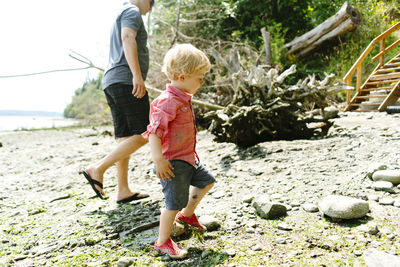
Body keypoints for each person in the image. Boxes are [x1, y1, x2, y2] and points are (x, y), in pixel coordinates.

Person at [142, 44, 215, 259]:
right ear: (182, 77)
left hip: (188, 159)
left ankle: (187, 216)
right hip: (173, 162)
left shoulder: (182, 96)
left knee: (207, 181)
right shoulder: (167, 101)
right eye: (200, 77)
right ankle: (162, 241)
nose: (202, 82)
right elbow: (154, 132)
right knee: (172, 204)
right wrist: (159, 160)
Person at [82, 0, 155, 204]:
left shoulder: (122, 12)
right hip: (125, 79)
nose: (151, 8)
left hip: (112, 80)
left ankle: (123, 190)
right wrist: (137, 76)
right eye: (152, 3)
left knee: (125, 137)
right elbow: (128, 36)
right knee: (146, 132)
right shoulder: (132, 11)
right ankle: (97, 168)